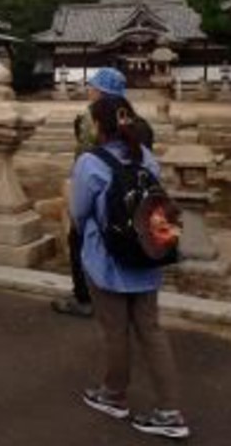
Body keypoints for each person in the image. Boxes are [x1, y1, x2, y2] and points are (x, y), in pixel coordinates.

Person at [72, 95, 188, 439]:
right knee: (151, 331)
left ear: (99, 125)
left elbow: (79, 213)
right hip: (147, 255)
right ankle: (170, 410)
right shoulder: (146, 158)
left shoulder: (90, 163)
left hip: (107, 260)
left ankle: (113, 394)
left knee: (115, 331)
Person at [53, 68, 153, 318]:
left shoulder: (89, 121)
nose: (89, 91)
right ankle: (126, 292)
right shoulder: (141, 125)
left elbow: (85, 160)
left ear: (101, 91)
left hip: (99, 196)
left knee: (80, 240)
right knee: (130, 240)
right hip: (136, 200)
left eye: (93, 87)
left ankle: (85, 297)